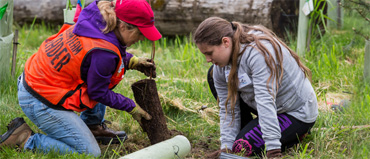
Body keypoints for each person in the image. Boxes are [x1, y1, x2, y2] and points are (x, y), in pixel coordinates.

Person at [0, 0, 161, 157]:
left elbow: (96, 55)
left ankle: (92, 126)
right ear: (123, 26)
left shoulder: (99, 19)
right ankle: (25, 139)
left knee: (101, 75)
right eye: (140, 33)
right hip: (40, 99)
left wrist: (131, 61)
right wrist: (131, 107)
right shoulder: (104, 54)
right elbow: (98, 91)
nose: (142, 38)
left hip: (37, 80)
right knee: (89, 152)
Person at [193, 17, 318, 158]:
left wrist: (273, 149)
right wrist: (226, 147)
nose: (208, 59)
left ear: (226, 42)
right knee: (212, 74)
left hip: (295, 112)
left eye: (209, 53)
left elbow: (265, 100)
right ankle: (250, 129)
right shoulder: (220, 67)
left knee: (242, 147)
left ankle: (297, 134)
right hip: (266, 106)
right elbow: (228, 108)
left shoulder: (259, 54)